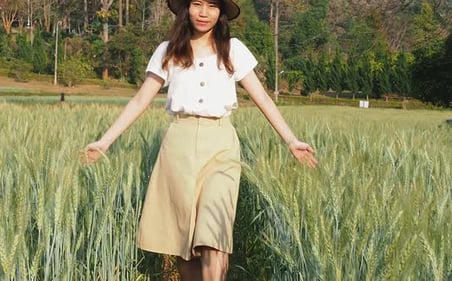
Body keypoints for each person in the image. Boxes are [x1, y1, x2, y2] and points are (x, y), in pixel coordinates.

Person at [82, 0, 318, 279]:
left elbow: (263, 97)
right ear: (186, 8)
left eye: (211, 6)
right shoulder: (168, 50)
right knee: (185, 243)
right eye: (196, 4)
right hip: (178, 147)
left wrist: (290, 140)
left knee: (213, 235)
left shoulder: (234, 49)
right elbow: (139, 101)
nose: (204, 12)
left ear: (221, 13)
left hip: (221, 145)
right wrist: (104, 141)